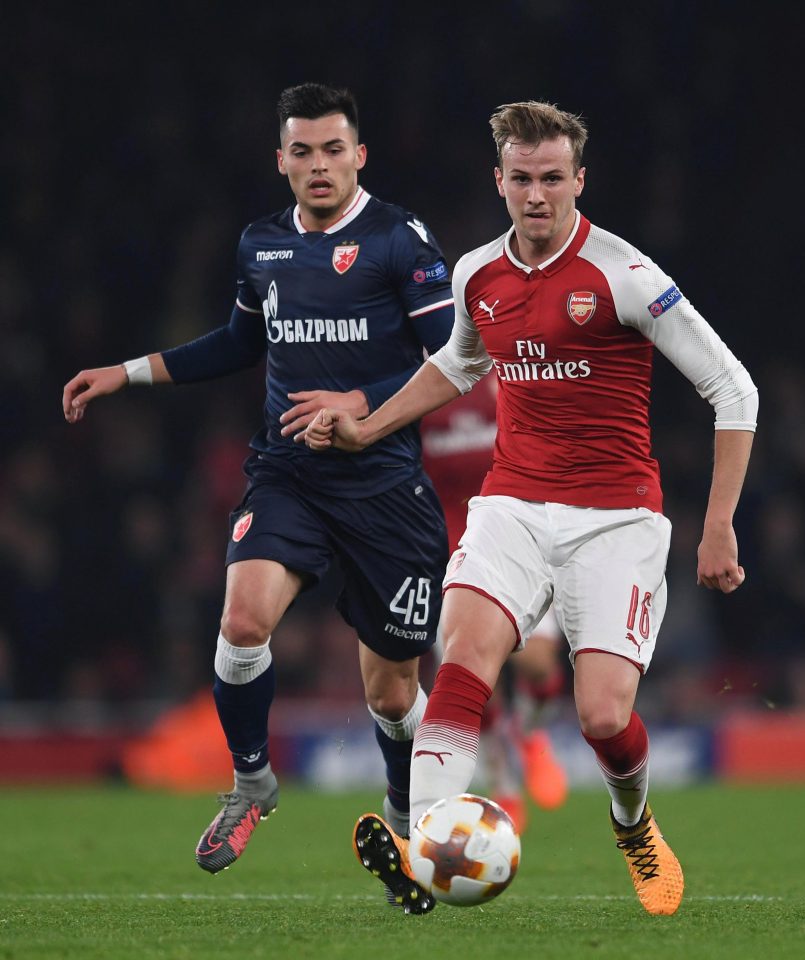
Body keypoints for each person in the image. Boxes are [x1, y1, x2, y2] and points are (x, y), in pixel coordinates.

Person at [297, 100, 758, 916]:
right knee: (463, 656)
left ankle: (634, 826)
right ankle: (428, 845)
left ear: (579, 181)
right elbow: (456, 365)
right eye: (521, 178)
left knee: (603, 716)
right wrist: (367, 429)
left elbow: (732, 387)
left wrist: (718, 522)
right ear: (499, 182)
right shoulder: (478, 274)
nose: (536, 194)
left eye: (552, 178)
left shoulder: (626, 275)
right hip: (510, 503)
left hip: (615, 518)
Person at [61, 82, 455, 878]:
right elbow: (240, 342)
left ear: (359, 156)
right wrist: (126, 372)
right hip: (291, 476)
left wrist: (360, 402)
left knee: (389, 695)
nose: (318, 165)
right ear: (281, 160)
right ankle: (250, 780)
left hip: (383, 485)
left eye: (333, 149)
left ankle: (406, 809)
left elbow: (455, 360)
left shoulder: (400, 241)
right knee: (242, 622)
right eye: (302, 151)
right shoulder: (260, 245)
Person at [420, 372, 569, 832]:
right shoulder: (424, 395)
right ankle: (503, 785)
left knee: (541, 666)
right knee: (470, 679)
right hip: (449, 555)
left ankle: (528, 730)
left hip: (519, 543)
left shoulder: (511, 379)